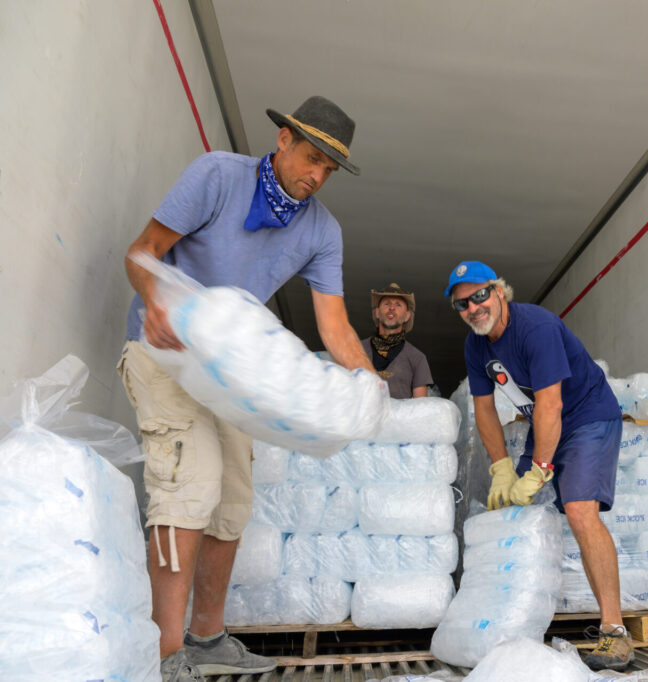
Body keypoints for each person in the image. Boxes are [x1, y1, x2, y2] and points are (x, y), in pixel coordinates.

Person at [118, 96, 374, 682]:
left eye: (329, 171)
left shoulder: (322, 230)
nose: (316, 177)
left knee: (231, 504)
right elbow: (143, 252)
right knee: (187, 491)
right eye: (312, 159)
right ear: (283, 140)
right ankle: (164, 655)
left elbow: (333, 326)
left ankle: (207, 639)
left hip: (231, 372)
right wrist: (156, 300)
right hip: (167, 352)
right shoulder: (217, 175)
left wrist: (367, 385)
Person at [444, 260, 633, 671]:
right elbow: (485, 410)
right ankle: (506, 625)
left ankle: (614, 633)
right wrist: (501, 468)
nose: (474, 308)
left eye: (480, 296)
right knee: (513, 510)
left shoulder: (536, 328)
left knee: (581, 511)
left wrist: (539, 468)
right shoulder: (475, 346)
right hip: (547, 422)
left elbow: (552, 404)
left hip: (587, 417)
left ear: (499, 291)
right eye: (462, 305)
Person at [360, 283, 433, 398]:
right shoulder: (356, 349)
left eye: (398, 305)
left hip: (400, 417)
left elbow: (421, 407)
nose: (392, 308)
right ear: (377, 313)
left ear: (406, 316)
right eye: (387, 303)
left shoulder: (417, 358)